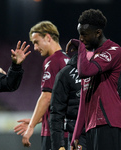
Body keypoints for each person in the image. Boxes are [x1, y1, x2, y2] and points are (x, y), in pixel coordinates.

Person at [68, 9, 121, 150]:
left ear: (98, 32)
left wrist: (80, 49)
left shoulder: (114, 50)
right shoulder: (90, 58)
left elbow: (84, 71)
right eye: (79, 34)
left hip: (108, 123)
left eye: (84, 34)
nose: (80, 38)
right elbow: (83, 102)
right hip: (92, 127)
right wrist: (75, 136)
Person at [14, 21, 70, 150]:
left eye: (36, 42)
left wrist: (31, 126)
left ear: (48, 37)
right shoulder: (67, 60)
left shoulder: (52, 61)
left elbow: (47, 97)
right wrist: (39, 119)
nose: (35, 47)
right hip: (67, 131)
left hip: (54, 134)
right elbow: (62, 101)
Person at [49, 44, 86, 150]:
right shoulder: (65, 74)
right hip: (79, 138)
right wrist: (58, 145)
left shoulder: (105, 70)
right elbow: (56, 112)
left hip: (103, 133)